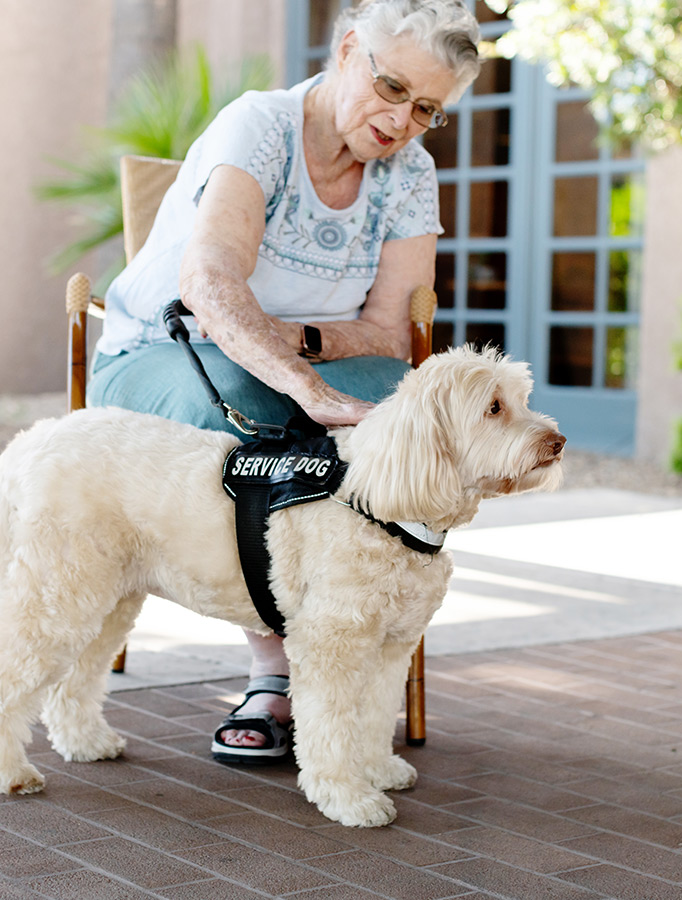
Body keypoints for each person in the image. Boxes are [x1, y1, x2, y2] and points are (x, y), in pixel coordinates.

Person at [88, 0, 481, 765]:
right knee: (269, 419)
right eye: (393, 88)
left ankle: (351, 642)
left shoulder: (411, 172)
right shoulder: (258, 127)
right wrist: (304, 384)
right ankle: (276, 672)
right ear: (346, 50)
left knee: (401, 427)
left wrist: (302, 345)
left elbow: (392, 330)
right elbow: (208, 280)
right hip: (170, 349)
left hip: (313, 355)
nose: (402, 122)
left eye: (427, 109)